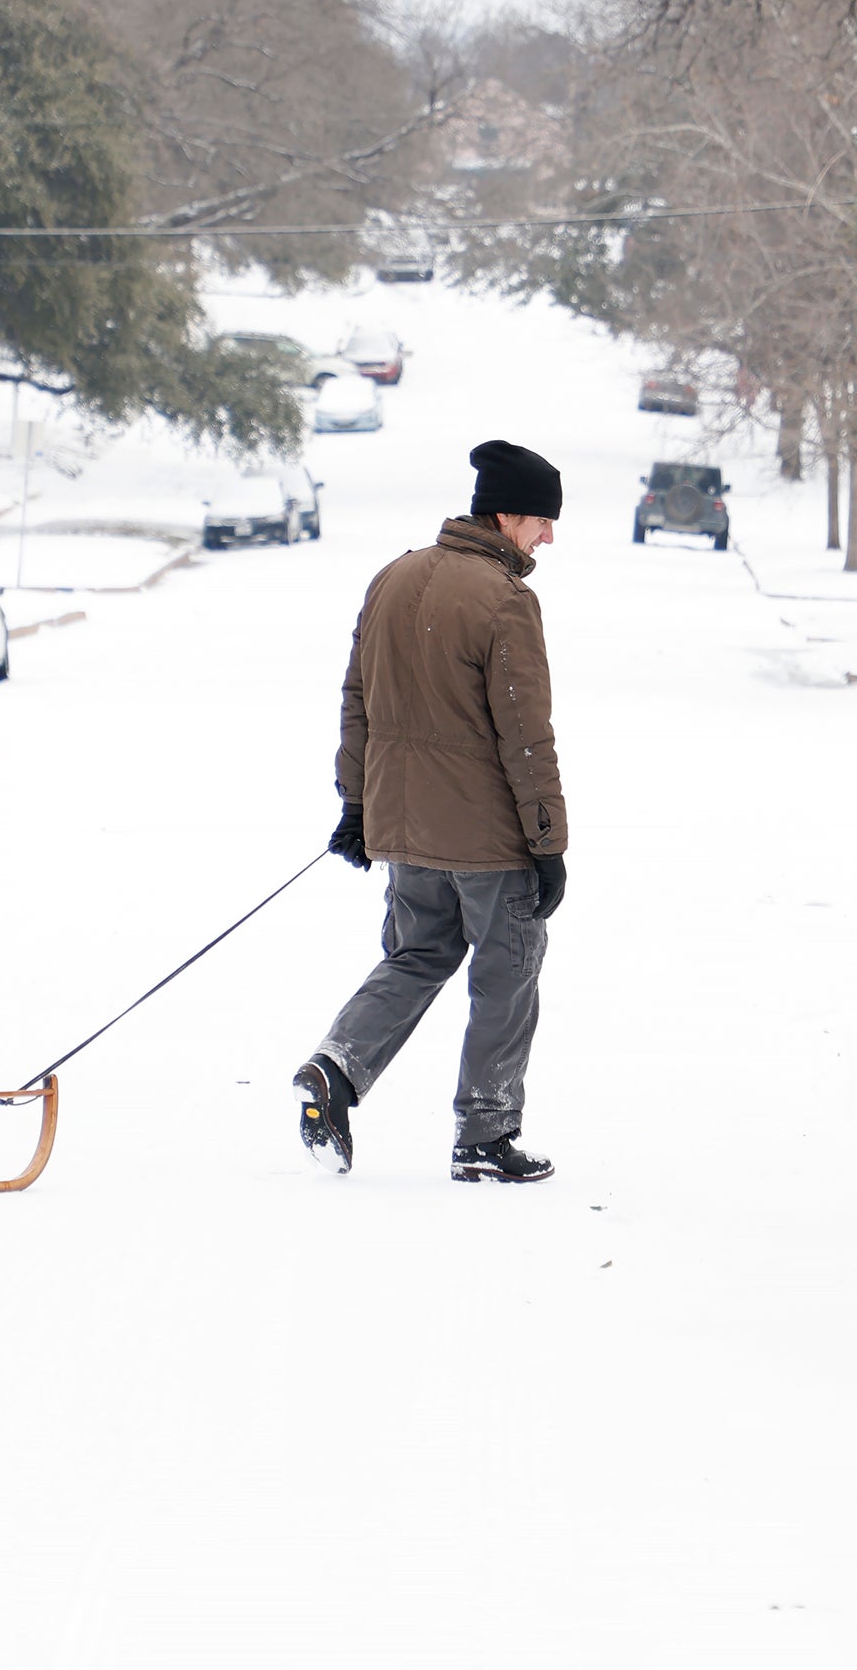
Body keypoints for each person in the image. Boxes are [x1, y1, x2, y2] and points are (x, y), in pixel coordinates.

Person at [296, 440, 568, 1184]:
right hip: (488, 838)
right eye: (542, 520)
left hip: (405, 827)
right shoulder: (506, 601)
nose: (548, 536)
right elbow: (526, 733)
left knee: (417, 954)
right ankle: (485, 1134)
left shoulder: (393, 576)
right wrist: (548, 843)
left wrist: (357, 804)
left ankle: (335, 1069)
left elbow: (358, 702)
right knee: (508, 969)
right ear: (508, 514)